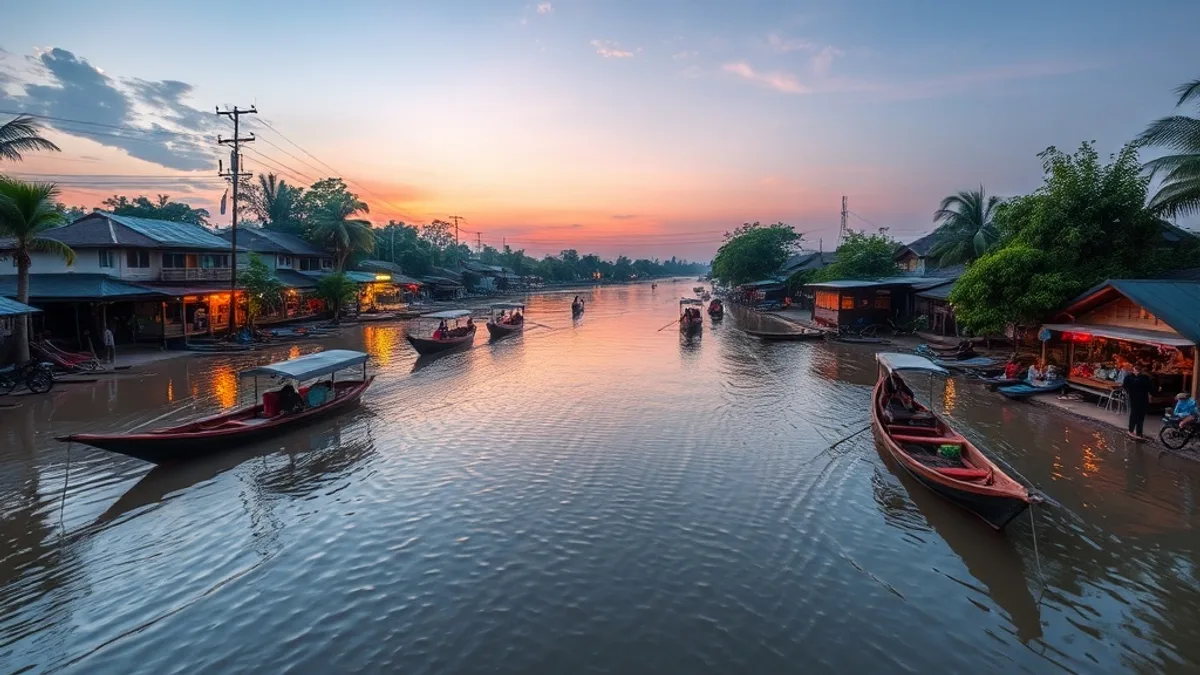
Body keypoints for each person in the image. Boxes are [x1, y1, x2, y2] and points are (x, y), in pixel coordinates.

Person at [1121, 364, 1155, 440]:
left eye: (1137, 371)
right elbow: (1125, 387)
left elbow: (1150, 388)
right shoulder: (1131, 378)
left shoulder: (1143, 378)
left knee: (1139, 416)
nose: (1136, 372)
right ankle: (1133, 431)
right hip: (1136, 398)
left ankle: (1137, 432)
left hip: (1140, 398)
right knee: (1136, 415)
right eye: (1136, 371)